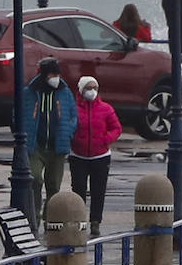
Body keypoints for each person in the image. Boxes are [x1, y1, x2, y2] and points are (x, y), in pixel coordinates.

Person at [21, 57, 77, 225]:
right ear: (45, 75)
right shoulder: (29, 92)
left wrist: (68, 131)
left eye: (57, 74)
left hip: (57, 146)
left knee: (54, 185)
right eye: (52, 74)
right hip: (35, 145)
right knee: (35, 179)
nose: (56, 78)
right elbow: (19, 113)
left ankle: (49, 217)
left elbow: (73, 115)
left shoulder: (64, 92)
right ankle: (35, 216)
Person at [69, 76, 122, 238]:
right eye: (88, 88)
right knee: (78, 189)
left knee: (98, 190)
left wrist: (105, 140)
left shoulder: (106, 109)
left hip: (101, 156)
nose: (91, 91)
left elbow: (116, 128)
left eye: (94, 88)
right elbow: (67, 126)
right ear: (81, 90)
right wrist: (73, 141)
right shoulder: (73, 109)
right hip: (78, 155)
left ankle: (95, 221)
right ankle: (79, 220)